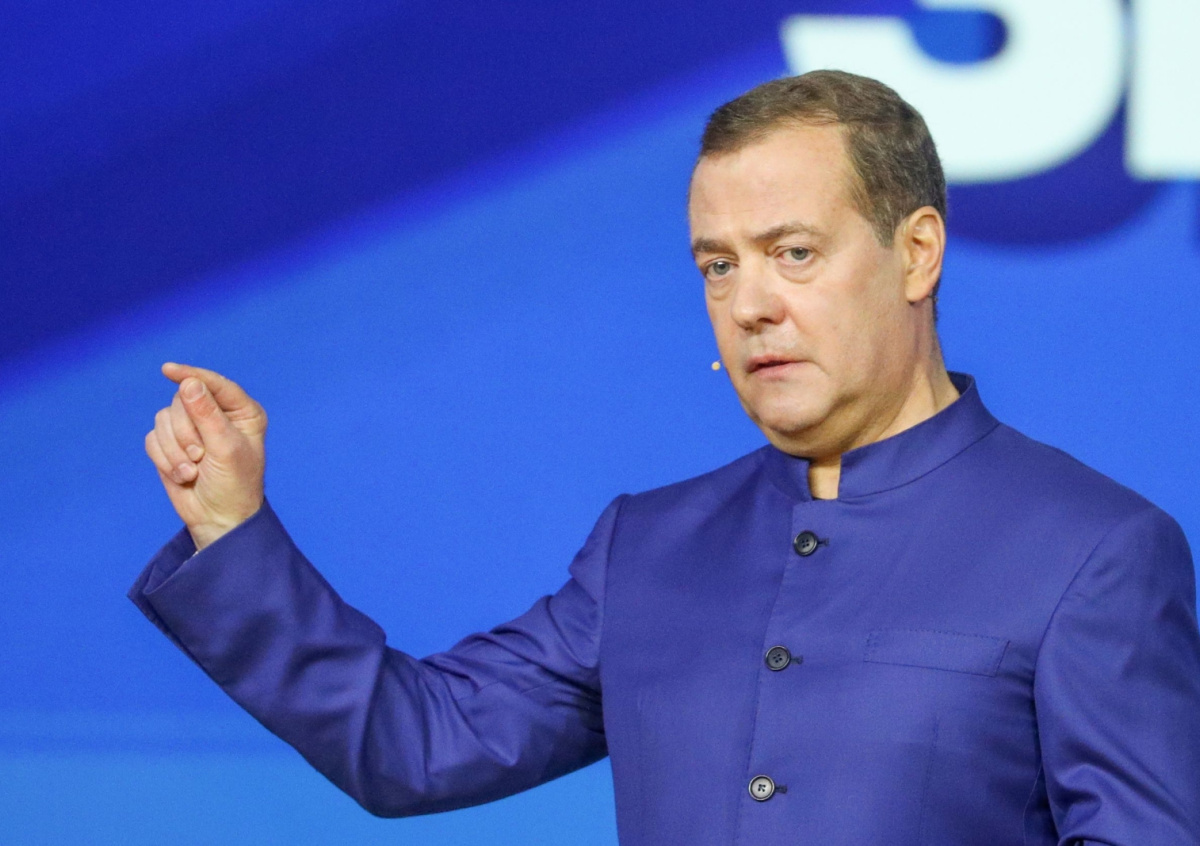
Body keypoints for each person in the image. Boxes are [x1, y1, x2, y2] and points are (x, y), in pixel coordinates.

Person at [130, 70, 1200, 844]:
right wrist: (231, 529)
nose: (750, 305)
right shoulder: (646, 546)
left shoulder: (1094, 552)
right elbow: (413, 745)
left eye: (793, 253)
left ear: (916, 252)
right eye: (718, 266)